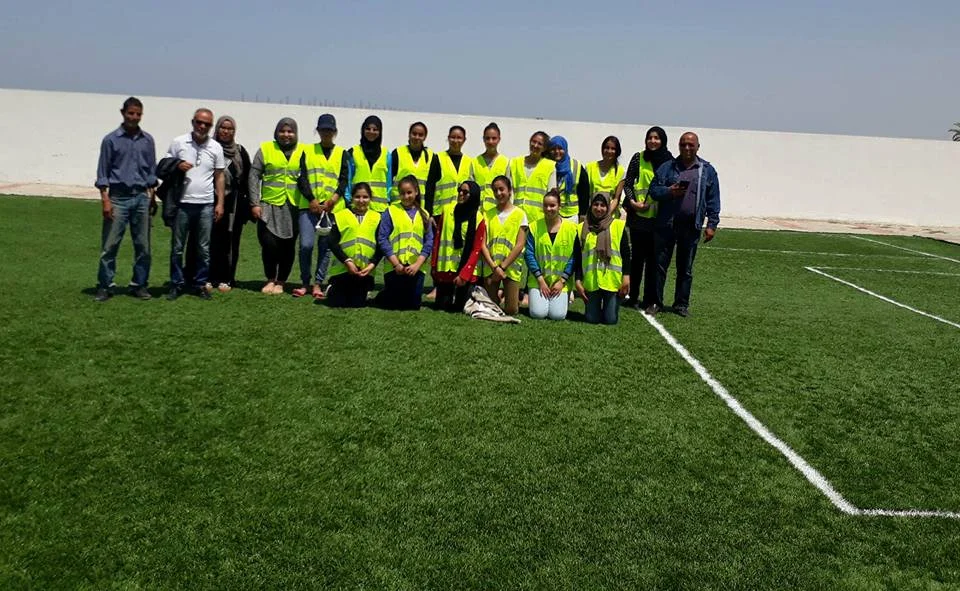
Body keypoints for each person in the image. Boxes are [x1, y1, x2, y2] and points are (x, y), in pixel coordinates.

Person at [648, 131, 721, 317]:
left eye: (690, 144)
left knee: (685, 268)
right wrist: (669, 191)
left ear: (698, 146)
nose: (687, 148)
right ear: (678, 146)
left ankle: (681, 304)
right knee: (659, 266)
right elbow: (654, 191)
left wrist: (712, 224)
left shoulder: (706, 170)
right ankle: (655, 302)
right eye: (683, 144)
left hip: (690, 226)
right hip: (666, 225)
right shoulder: (667, 168)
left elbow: (713, 199)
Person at [94, 97, 158, 302]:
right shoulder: (110, 140)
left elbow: (151, 171)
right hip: (118, 198)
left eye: (138, 114)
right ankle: (105, 285)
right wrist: (105, 199)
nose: (134, 117)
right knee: (110, 246)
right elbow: (103, 172)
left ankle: (139, 285)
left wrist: (152, 197)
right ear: (123, 113)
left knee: (143, 246)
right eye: (131, 113)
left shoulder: (147, 140)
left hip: (141, 197)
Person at [164, 108, 226, 300]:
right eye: (199, 122)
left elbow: (219, 176)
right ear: (193, 122)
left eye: (207, 124)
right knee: (177, 247)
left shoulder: (216, 147)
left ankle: (200, 284)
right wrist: (177, 165)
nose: (202, 126)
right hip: (182, 204)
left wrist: (220, 203)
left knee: (203, 249)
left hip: (206, 205)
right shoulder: (179, 142)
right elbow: (165, 166)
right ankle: (176, 283)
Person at [248, 118, 307, 295]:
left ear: (295, 134)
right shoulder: (266, 149)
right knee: (269, 244)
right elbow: (254, 175)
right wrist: (255, 202)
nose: (286, 135)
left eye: (290, 132)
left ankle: (281, 281)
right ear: (276, 132)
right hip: (269, 205)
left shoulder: (304, 151)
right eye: (282, 131)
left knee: (288, 245)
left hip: (294, 206)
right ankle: (270, 279)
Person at [294, 113, 348, 299]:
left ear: (335, 132)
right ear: (318, 130)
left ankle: (318, 283)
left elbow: (343, 180)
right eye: (323, 129)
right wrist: (311, 199)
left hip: (332, 208)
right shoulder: (307, 151)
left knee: (325, 247)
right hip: (309, 207)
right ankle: (304, 282)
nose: (327, 133)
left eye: (330, 130)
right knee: (306, 245)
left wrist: (332, 200)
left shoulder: (342, 153)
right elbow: (302, 178)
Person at [621, 126, 672, 310]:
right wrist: (632, 202)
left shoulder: (669, 161)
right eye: (650, 137)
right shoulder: (638, 158)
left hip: (658, 220)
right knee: (636, 260)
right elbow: (628, 183)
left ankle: (650, 300)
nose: (653, 141)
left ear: (663, 140)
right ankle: (632, 296)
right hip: (638, 219)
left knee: (653, 262)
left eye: (657, 138)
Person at [375, 175, 434, 310]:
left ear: (416, 192)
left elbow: (429, 241)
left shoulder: (424, 214)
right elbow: (382, 238)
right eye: (402, 193)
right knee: (393, 305)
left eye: (409, 192)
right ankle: (384, 294)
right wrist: (396, 264)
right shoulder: (390, 211)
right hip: (395, 267)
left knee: (413, 306)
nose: (406, 196)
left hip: (416, 268)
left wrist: (418, 264)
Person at [208, 116, 251, 292]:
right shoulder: (208, 149)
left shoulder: (240, 152)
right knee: (210, 240)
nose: (226, 131)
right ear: (217, 129)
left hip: (234, 206)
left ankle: (227, 278)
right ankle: (209, 277)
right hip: (209, 201)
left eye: (230, 128)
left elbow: (247, 179)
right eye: (223, 128)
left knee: (230, 241)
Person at [431, 180, 486, 312]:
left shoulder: (479, 218)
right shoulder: (447, 210)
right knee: (442, 306)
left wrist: (464, 274)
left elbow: (476, 249)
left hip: (465, 272)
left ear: (473, 195)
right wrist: (433, 265)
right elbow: (438, 239)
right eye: (459, 191)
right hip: (446, 269)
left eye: (465, 192)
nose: (461, 194)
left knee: (462, 307)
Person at [576, 192, 631, 325]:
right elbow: (578, 257)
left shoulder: (617, 226)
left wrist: (626, 277)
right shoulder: (581, 228)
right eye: (595, 204)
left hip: (611, 281)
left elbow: (626, 254)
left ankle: (613, 303)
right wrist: (578, 280)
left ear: (608, 208)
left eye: (603, 205)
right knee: (592, 319)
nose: (599, 208)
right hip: (592, 281)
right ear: (591, 206)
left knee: (610, 320)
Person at [524, 190, 579, 320]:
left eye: (552, 205)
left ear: (559, 206)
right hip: (539, 281)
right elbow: (529, 254)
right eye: (546, 205)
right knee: (538, 313)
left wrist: (562, 281)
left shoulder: (572, 229)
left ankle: (561, 300)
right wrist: (540, 280)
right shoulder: (534, 227)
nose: (549, 209)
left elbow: (574, 258)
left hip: (560, 283)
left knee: (557, 315)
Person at [326, 182, 383, 308]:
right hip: (343, 269)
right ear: (351, 198)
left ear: (370, 198)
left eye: (365, 197)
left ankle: (364, 292)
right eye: (357, 197)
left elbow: (381, 245)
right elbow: (332, 242)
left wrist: (372, 265)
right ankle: (331, 288)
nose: (361, 200)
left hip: (364, 272)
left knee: (357, 304)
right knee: (337, 303)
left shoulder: (377, 217)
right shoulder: (341, 215)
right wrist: (346, 261)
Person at [480, 175, 528, 316]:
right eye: (495, 190)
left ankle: (508, 294)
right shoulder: (487, 214)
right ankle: (497, 295)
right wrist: (494, 267)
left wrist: (502, 268)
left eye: (502, 189)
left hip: (510, 269)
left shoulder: (520, 214)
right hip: (491, 268)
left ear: (510, 191)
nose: (498, 193)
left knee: (511, 311)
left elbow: (520, 245)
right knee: (489, 309)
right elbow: (483, 244)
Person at [425, 125, 474, 217]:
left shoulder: (469, 162)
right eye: (453, 137)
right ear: (448, 138)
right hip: (439, 214)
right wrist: (429, 213)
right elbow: (429, 187)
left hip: (462, 212)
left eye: (459, 138)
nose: (455, 141)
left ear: (464, 140)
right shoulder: (438, 158)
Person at [509, 131, 556, 225]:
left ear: (544, 148)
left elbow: (551, 195)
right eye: (533, 141)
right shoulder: (515, 163)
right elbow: (509, 191)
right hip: (516, 217)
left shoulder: (549, 166)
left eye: (540, 144)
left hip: (538, 219)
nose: (535, 145)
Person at [348, 116, 390, 213]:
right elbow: (348, 180)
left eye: (375, 129)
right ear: (362, 130)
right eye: (368, 129)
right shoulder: (353, 152)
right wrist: (349, 200)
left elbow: (389, 183)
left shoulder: (387, 155)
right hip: (357, 208)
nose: (371, 132)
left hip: (380, 209)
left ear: (380, 132)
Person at [549, 136, 590, 222]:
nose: (557, 151)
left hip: (573, 214)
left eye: (560, 148)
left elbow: (584, 193)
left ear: (565, 148)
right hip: (552, 213)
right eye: (553, 149)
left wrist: (583, 214)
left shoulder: (576, 165)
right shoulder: (546, 165)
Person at [389, 122, 433, 201]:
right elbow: (389, 180)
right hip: (399, 206)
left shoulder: (431, 156)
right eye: (414, 134)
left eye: (420, 135)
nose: (417, 137)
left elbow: (431, 186)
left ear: (425, 137)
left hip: (420, 208)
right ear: (409, 134)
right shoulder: (398, 153)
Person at [474, 122, 510, 213]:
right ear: (483, 139)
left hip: (498, 212)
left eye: (494, 138)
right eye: (487, 138)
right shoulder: (475, 162)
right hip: (478, 212)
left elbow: (509, 191)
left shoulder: (505, 162)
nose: (490, 142)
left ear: (499, 139)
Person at [585, 136, 625, 214]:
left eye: (613, 149)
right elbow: (585, 194)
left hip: (610, 215)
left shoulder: (621, 171)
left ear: (617, 151)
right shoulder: (589, 167)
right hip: (591, 214)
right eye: (607, 147)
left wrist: (605, 215)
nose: (609, 151)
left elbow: (616, 199)